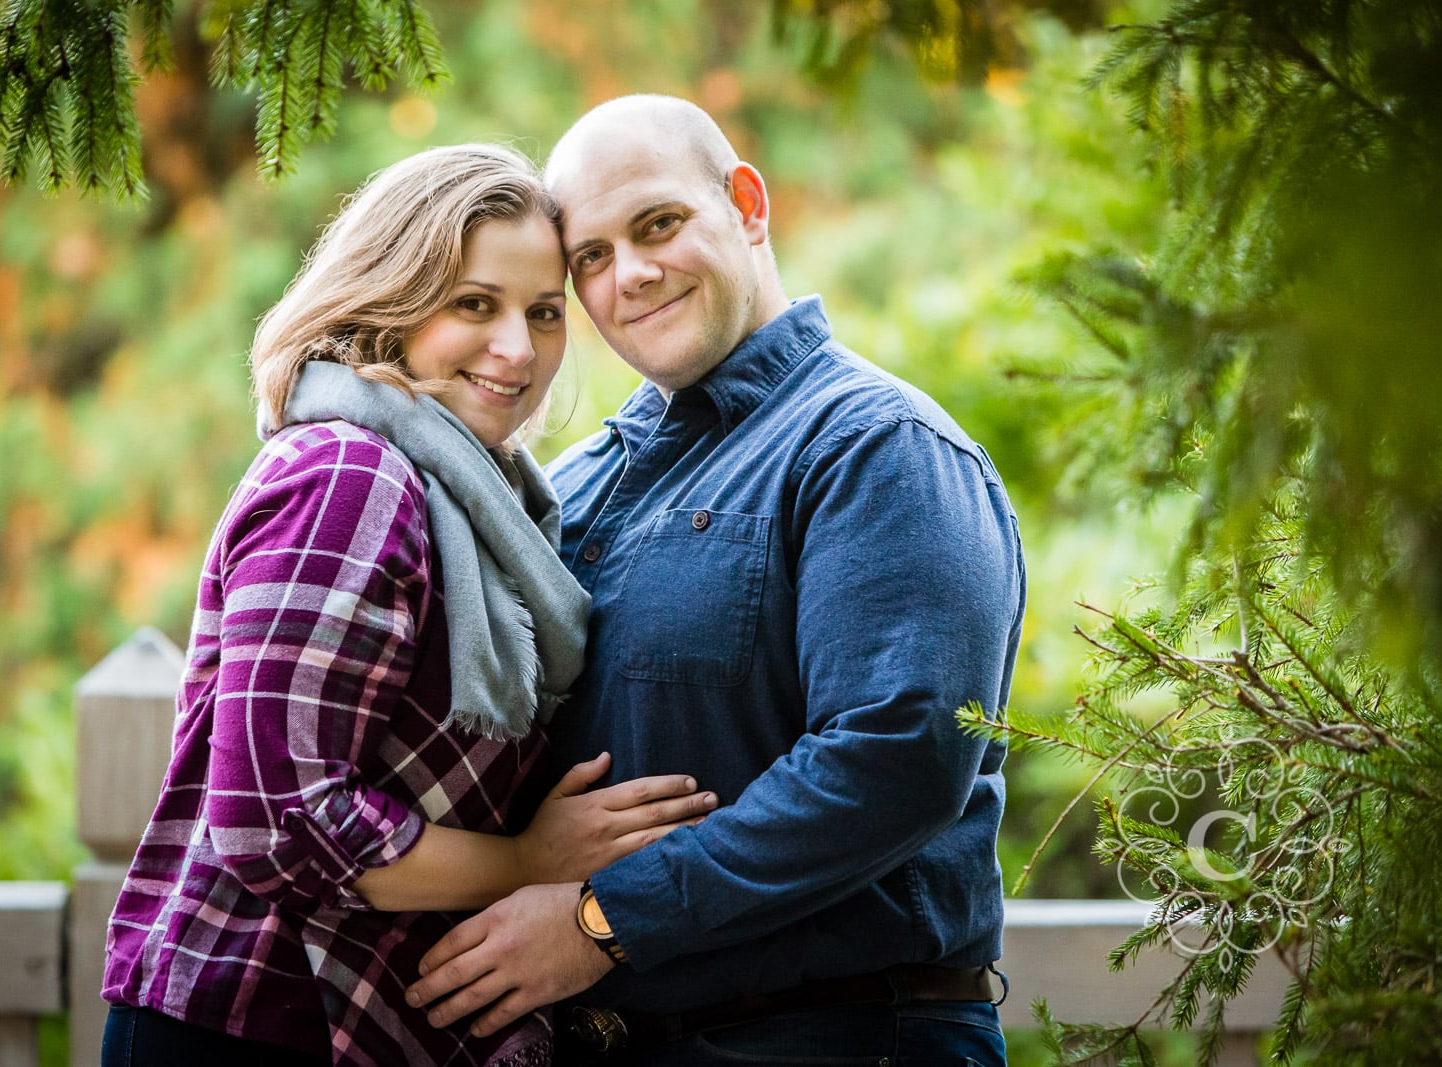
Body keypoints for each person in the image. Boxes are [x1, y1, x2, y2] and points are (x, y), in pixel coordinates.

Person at [407, 96, 1027, 1066]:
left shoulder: (875, 444)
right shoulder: (567, 486)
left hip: (835, 1037)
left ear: (745, 204)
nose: (630, 275)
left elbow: (898, 752)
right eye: (591, 259)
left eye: (656, 225)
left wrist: (601, 920)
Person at [100, 144, 715, 1067]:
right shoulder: (349, 472)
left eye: (544, 314)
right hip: (254, 1016)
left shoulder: (480, 497)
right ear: (388, 299)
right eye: (474, 303)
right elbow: (275, 819)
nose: (518, 348)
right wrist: (526, 863)